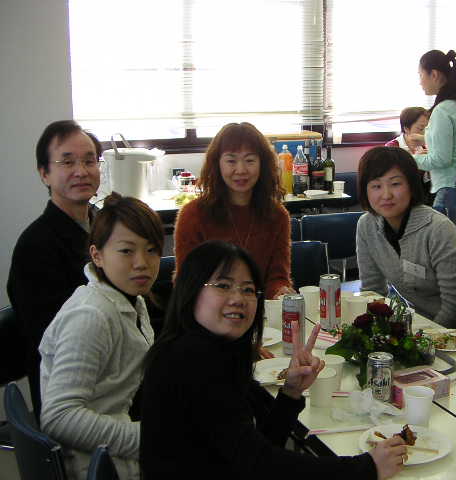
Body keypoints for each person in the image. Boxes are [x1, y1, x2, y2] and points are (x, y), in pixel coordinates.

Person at [140, 240, 406, 479]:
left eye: (248, 289)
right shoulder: (189, 360)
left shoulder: (218, 352)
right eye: (223, 285)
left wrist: (290, 393)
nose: (238, 299)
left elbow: (257, 446)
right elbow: (261, 465)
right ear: (191, 290)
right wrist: (366, 468)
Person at [39, 193, 163, 480]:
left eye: (152, 250)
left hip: (115, 445)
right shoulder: (91, 316)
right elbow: (59, 417)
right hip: (98, 466)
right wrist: (149, 438)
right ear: (97, 255)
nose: (142, 263)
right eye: (126, 251)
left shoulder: (130, 297)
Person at [7, 120, 102, 418]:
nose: (81, 171)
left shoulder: (106, 226)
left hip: (113, 370)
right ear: (44, 173)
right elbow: (56, 339)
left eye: (89, 161)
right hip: (72, 393)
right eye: (67, 162)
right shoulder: (35, 246)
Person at [173, 122, 294, 300]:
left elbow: (277, 277)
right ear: (217, 164)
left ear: (263, 164)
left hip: (258, 310)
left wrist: (280, 292)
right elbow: (187, 283)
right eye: (231, 161)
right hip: (209, 310)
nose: (241, 170)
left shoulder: (277, 215)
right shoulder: (193, 215)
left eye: (250, 160)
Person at [356, 146, 456, 327]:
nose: (386, 195)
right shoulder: (367, 225)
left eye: (395, 184)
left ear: (411, 185)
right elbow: (372, 292)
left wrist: (429, 337)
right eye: (376, 186)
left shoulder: (438, 229)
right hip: (418, 324)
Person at [414, 49, 456, 230]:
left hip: (449, 190)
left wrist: (408, 158)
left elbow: (440, 159)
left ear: (434, 74)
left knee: (445, 245)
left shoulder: (442, 110)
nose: (420, 81)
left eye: (420, 75)